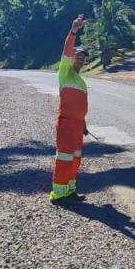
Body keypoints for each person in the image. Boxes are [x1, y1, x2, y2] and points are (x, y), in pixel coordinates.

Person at [49, 15, 90, 203]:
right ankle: (58, 193)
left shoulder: (80, 81)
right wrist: (74, 30)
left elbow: (81, 106)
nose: (80, 60)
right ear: (71, 58)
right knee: (64, 157)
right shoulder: (65, 73)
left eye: (82, 58)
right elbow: (65, 52)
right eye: (77, 56)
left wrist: (83, 123)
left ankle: (69, 190)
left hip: (77, 126)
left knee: (75, 159)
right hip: (65, 124)